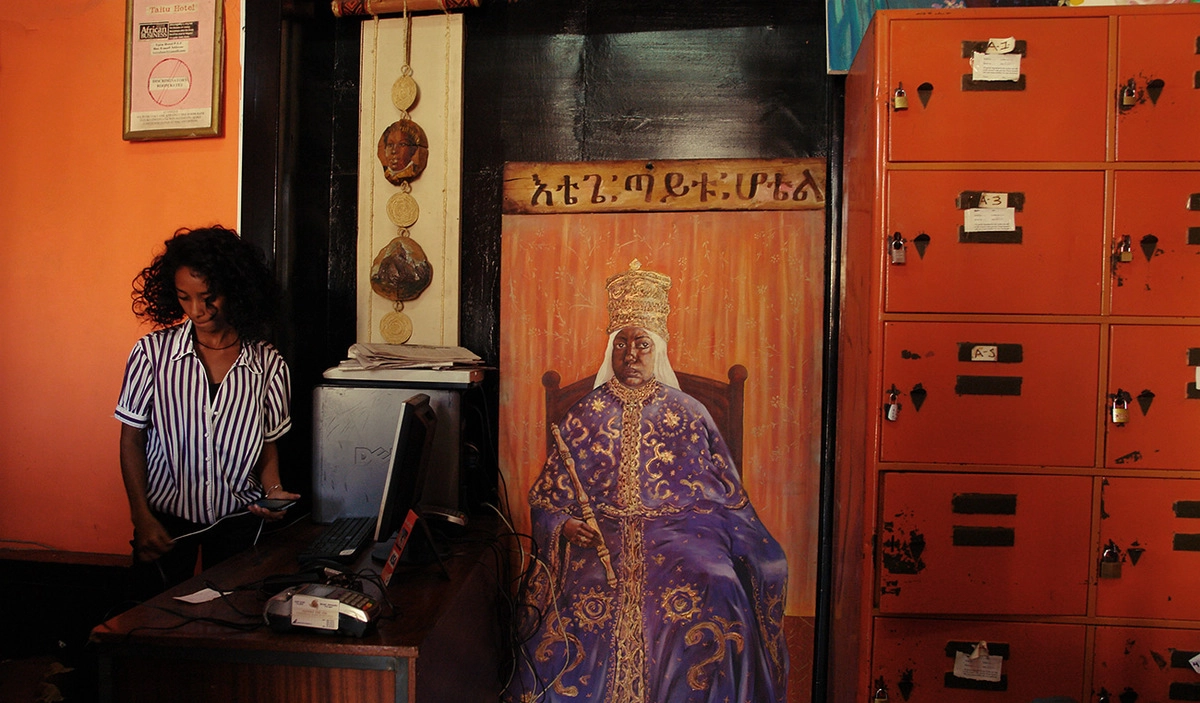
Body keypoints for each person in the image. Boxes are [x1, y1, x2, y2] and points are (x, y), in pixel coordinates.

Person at [508, 260, 789, 703]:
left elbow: (726, 496)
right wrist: (565, 526)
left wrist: (709, 533)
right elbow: (546, 498)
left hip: (682, 533)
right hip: (600, 536)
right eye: (622, 344)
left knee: (717, 582)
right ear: (611, 350)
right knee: (579, 596)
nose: (631, 355)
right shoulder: (584, 414)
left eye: (642, 344)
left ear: (657, 349)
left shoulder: (690, 412)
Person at [115, 226, 299, 597]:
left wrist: (274, 491)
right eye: (184, 298)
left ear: (235, 289)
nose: (197, 310)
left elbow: (266, 443)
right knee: (153, 620)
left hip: (240, 524)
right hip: (164, 525)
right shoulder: (152, 354)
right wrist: (141, 516)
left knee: (234, 620)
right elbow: (131, 439)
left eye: (208, 297)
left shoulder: (268, 363)